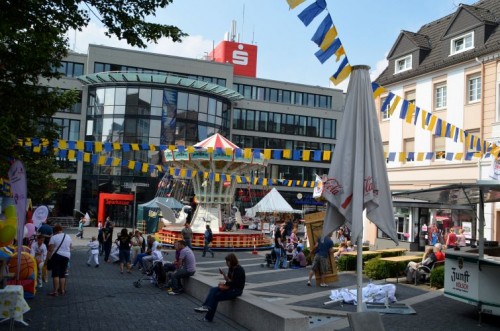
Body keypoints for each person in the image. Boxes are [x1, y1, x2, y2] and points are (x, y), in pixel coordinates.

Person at [194, 253, 245, 322]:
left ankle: (208, 317)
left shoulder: (239, 270)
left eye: (228, 262)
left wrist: (225, 280)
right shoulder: (231, 268)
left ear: (232, 261)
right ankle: (205, 307)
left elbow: (234, 284)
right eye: (226, 261)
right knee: (213, 289)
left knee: (216, 296)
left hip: (236, 290)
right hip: (230, 287)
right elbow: (229, 281)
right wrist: (224, 280)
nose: (227, 263)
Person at [47, 223, 72, 296]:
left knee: (55, 274)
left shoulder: (53, 237)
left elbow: (51, 249)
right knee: (62, 274)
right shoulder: (68, 236)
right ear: (61, 230)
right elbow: (71, 247)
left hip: (57, 256)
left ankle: (55, 291)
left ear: (55, 231)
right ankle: (62, 290)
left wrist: (48, 258)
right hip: (66, 256)